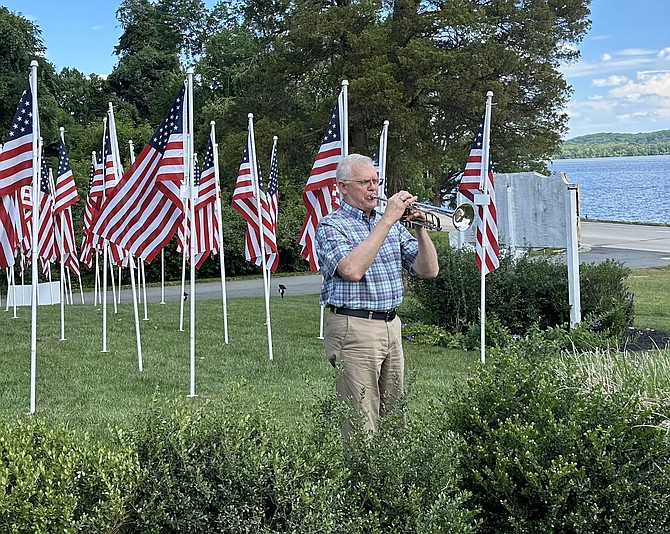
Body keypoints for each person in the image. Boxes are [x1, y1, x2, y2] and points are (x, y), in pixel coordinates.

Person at [315, 153, 439, 435]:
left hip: (391, 326)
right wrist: (387, 220)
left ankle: (390, 477)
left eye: (376, 181)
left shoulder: (391, 226)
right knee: (361, 419)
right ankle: (362, 477)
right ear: (343, 187)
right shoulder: (331, 226)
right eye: (365, 182)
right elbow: (352, 270)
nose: (374, 188)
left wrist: (421, 231)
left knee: (394, 415)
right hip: (354, 327)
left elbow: (428, 270)